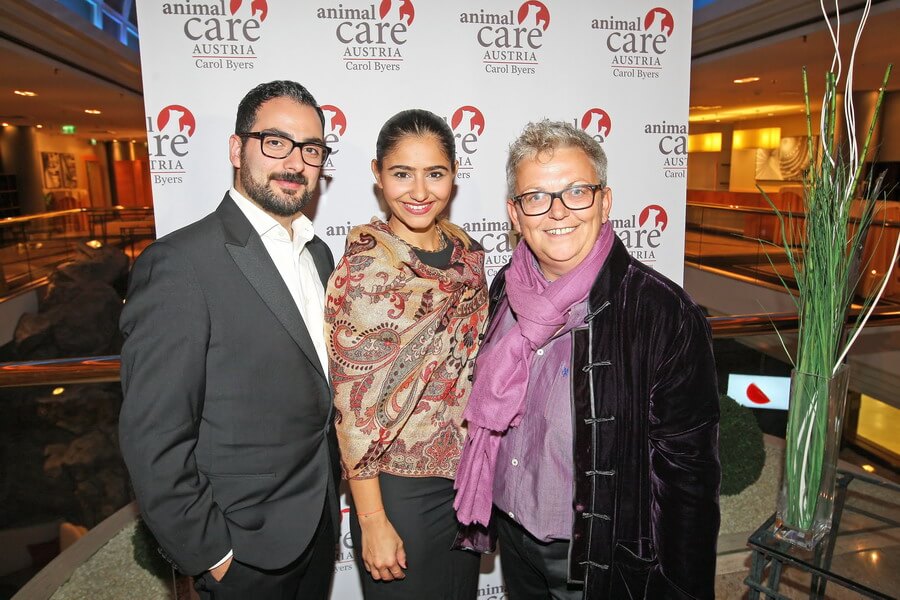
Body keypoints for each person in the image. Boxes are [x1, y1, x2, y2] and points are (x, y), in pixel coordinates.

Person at [454, 120, 721, 599]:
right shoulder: (505, 288)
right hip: (514, 536)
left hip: (597, 557)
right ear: (515, 214)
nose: (557, 211)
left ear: (605, 201)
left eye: (577, 191)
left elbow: (689, 479)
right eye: (536, 196)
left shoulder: (661, 312)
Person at [119, 80, 340, 600]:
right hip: (242, 549)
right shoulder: (180, 264)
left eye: (311, 149)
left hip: (318, 528)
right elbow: (153, 436)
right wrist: (212, 554)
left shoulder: (319, 255)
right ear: (237, 149)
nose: (295, 162)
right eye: (275, 142)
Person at [325, 109, 488, 599]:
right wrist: (372, 519)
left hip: (467, 480)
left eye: (434, 173)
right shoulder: (365, 270)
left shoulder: (465, 254)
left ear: (454, 176)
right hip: (399, 493)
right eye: (402, 174)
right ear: (378, 175)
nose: (419, 191)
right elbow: (353, 413)